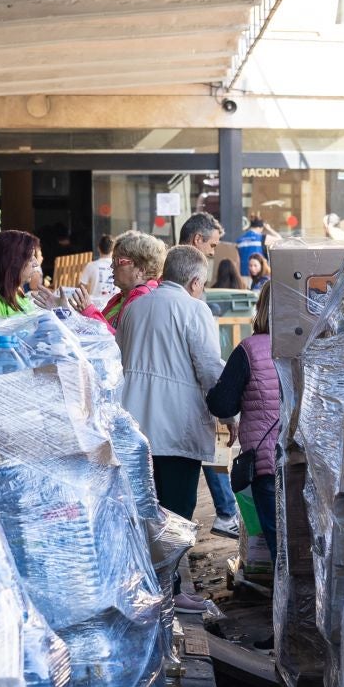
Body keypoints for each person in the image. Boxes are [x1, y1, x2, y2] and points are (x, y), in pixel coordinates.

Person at [118, 245, 226, 573]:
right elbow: (210, 369)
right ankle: (172, 589)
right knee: (176, 514)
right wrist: (229, 412)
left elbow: (119, 358)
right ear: (195, 282)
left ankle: (156, 586)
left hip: (135, 427)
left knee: (145, 514)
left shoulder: (134, 308)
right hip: (177, 428)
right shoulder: (195, 310)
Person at [206, 282, 281, 554]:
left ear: (261, 307)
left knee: (278, 539)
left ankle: (286, 596)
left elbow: (222, 403)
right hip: (311, 465)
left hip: (266, 462)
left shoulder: (249, 350)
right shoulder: (315, 347)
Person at [176, 212, 238, 532]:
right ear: (197, 240)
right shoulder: (190, 299)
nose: (214, 251)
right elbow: (208, 361)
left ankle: (227, 510)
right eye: (212, 244)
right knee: (208, 446)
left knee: (209, 446)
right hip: (187, 391)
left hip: (185, 390)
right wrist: (224, 407)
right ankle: (226, 511)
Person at [103, 230, 165, 330]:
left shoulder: (144, 301)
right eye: (112, 260)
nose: (112, 266)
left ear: (141, 270)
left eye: (118, 261)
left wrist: (89, 311)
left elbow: (122, 340)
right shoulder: (121, 297)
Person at [79, 234, 117, 304]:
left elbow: (81, 287)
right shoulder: (118, 266)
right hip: (114, 306)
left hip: (94, 306)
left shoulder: (91, 265)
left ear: (98, 248)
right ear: (114, 249)